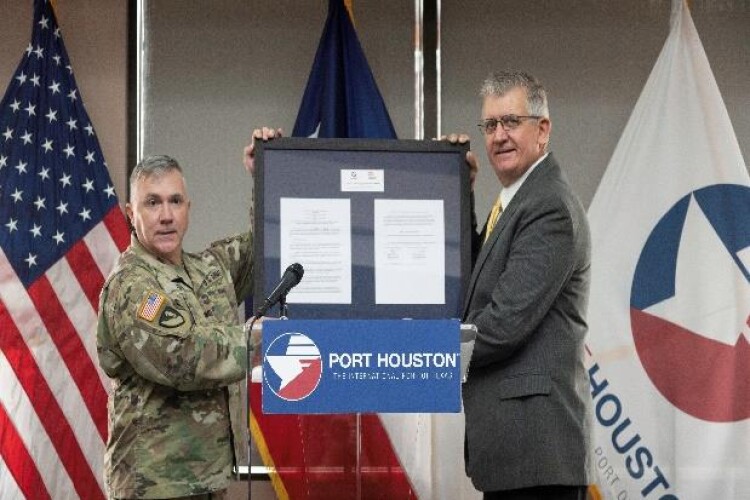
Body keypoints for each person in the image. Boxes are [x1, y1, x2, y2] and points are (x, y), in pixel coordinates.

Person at [96, 128, 281, 499]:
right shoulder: (132, 286)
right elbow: (183, 355)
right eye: (152, 202)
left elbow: (268, 244)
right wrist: (254, 337)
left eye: (175, 201)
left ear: (188, 209)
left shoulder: (207, 269)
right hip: (155, 485)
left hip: (207, 478)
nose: (166, 215)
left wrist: (267, 174)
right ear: (131, 214)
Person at [455, 71, 594, 499]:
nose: (499, 136)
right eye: (491, 125)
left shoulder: (548, 205)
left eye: (511, 121)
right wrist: (457, 189)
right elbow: (478, 280)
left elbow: (502, 325)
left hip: (537, 457)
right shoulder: (515, 199)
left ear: (543, 129)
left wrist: (414, 353)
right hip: (518, 459)